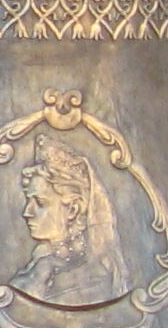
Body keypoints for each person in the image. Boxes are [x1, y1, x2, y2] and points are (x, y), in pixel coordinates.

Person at [8, 133, 129, 310]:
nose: (27, 212)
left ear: (72, 209)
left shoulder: (94, 281)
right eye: (29, 200)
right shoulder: (40, 266)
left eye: (40, 203)